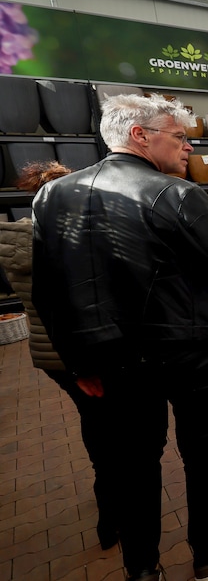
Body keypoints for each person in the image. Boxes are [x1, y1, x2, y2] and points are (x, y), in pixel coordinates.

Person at [32, 94, 208, 581]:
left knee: (135, 461)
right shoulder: (176, 194)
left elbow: (48, 291)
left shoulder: (53, 196)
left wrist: (76, 365)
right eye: (179, 136)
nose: (189, 147)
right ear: (140, 135)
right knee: (200, 446)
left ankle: (141, 568)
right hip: (187, 351)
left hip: (111, 357)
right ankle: (206, 550)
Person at [1, 162, 122, 551]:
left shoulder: (16, 240)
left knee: (95, 420)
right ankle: (112, 513)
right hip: (86, 352)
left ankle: (108, 494)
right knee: (111, 427)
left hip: (50, 355)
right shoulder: (68, 243)